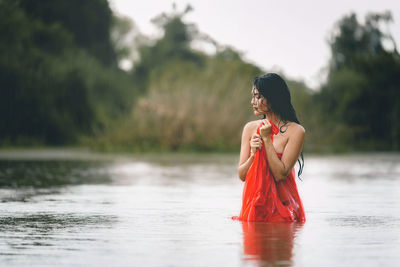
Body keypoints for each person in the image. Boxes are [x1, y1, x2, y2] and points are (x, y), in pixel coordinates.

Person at [233, 73, 306, 222]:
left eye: (258, 96)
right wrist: (253, 155)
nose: (253, 101)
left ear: (273, 98)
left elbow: (280, 174)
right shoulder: (249, 128)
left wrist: (266, 139)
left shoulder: (296, 131)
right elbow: (241, 175)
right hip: (255, 207)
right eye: (253, 96)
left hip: (284, 210)